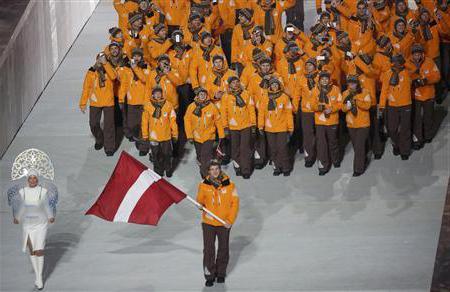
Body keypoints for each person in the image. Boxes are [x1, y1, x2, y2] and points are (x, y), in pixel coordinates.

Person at [8, 170, 58, 290]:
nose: (32, 180)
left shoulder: (43, 191)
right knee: (32, 251)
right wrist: (18, 217)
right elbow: (22, 207)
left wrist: (50, 216)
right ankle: (37, 275)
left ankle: (39, 278)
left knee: (39, 249)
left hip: (41, 224)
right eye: (30, 178)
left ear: (37, 179)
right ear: (28, 180)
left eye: (34, 178)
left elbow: (46, 205)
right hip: (27, 225)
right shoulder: (23, 192)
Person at [196, 160, 239, 287]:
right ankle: (209, 275)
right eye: (212, 169)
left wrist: (229, 221)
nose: (214, 171)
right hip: (208, 222)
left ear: (220, 169)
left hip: (224, 223)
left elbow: (235, 204)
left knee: (223, 249)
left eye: (217, 169)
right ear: (208, 171)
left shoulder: (230, 185)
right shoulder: (203, 184)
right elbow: (200, 201)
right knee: (209, 250)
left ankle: (220, 273)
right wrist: (200, 204)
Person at [79, 53, 118, 156]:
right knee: (93, 123)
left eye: (103, 58)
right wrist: (83, 103)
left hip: (108, 101)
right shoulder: (91, 72)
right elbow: (86, 88)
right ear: (96, 60)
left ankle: (109, 147)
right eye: (99, 59)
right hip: (95, 101)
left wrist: (105, 64)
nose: (101, 60)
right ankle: (100, 139)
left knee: (109, 126)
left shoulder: (110, 69)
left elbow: (114, 77)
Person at [406, 43, 441, 149]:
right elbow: (405, 77)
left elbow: (437, 76)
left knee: (428, 117)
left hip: (428, 95)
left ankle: (428, 135)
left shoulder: (429, 62)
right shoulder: (407, 63)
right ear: (412, 54)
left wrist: (426, 80)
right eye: (415, 54)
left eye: (419, 54)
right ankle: (417, 140)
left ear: (422, 54)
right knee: (416, 119)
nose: (417, 56)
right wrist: (413, 80)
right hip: (415, 96)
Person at [221, 76, 257, 178]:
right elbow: (224, 113)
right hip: (233, 127)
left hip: (246, 125)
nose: (236, 84)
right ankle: (238, 167)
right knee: (235, 148)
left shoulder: (246, 94)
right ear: (229, 85)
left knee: (245, 148)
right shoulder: (226, 96)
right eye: (233, 83)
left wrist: (253, 124)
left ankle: (246, 169)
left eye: (237, 82)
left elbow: (251, 109)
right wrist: (225, 127)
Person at [184, 88, 225, 177]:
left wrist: (221, 134)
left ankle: (206, 175)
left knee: (206, 155)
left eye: (204, 94)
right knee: (199, 155)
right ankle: (202, 167)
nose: (202, 95)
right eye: (200, 94)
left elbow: (218, 120)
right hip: (196, 136)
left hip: (209, 136)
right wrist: (189, 135)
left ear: (207, 95)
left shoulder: (212, 106)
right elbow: (187, 121)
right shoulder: (192, 106)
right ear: (197, 96)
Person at [257, 77, 294, 176]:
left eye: (276, 84)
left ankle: (286, 168)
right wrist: (260, 126)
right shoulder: (265, 97)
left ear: (279, 86)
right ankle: (276, 167)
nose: (274, 86)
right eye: (272, 85)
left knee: (283, 148)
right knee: (273, 149)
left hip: (282, 127)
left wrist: (290, 128)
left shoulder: (284, 97)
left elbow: (288, 114)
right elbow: (261, 113)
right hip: (269, 128)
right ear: (269, 86)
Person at [379, 54, 412, 160]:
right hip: (392, 105)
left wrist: (405, 60)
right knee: (392, 129)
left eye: (399, 62)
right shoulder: (388, 74)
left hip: (406, 104)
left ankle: (405, 151)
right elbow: (384, 91)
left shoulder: (408, 72)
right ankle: (396, 145)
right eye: (394, 61)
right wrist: (382, 106)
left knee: (405, 129)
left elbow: (416, 69)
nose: (396, 64)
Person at [141, 87, 178, 176]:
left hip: (166, 135)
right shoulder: (148, 105)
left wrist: (175, 133)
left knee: (167, 154)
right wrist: (145, 134)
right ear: (152, 95)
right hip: (154, 136)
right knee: (156, 154)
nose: (158, 95)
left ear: (162, 94)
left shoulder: (168, 105)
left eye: (159, 93)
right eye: (156, 93)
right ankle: (158, 171)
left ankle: (168, 169)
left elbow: (173, 120)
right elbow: (144, 121)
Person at [341, 75, 371, 176]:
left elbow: (367, 105)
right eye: (350, 83)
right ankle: (363, 158)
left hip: (363, 124)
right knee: (357, 146)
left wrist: (357, 100)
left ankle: (358, 169)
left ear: (357, 83)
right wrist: (347, 107)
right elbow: (343, 108)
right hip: (351, 124)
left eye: (353, 83)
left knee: (358, 147)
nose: (351, 85)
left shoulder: (365, 92)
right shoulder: (345, 93)